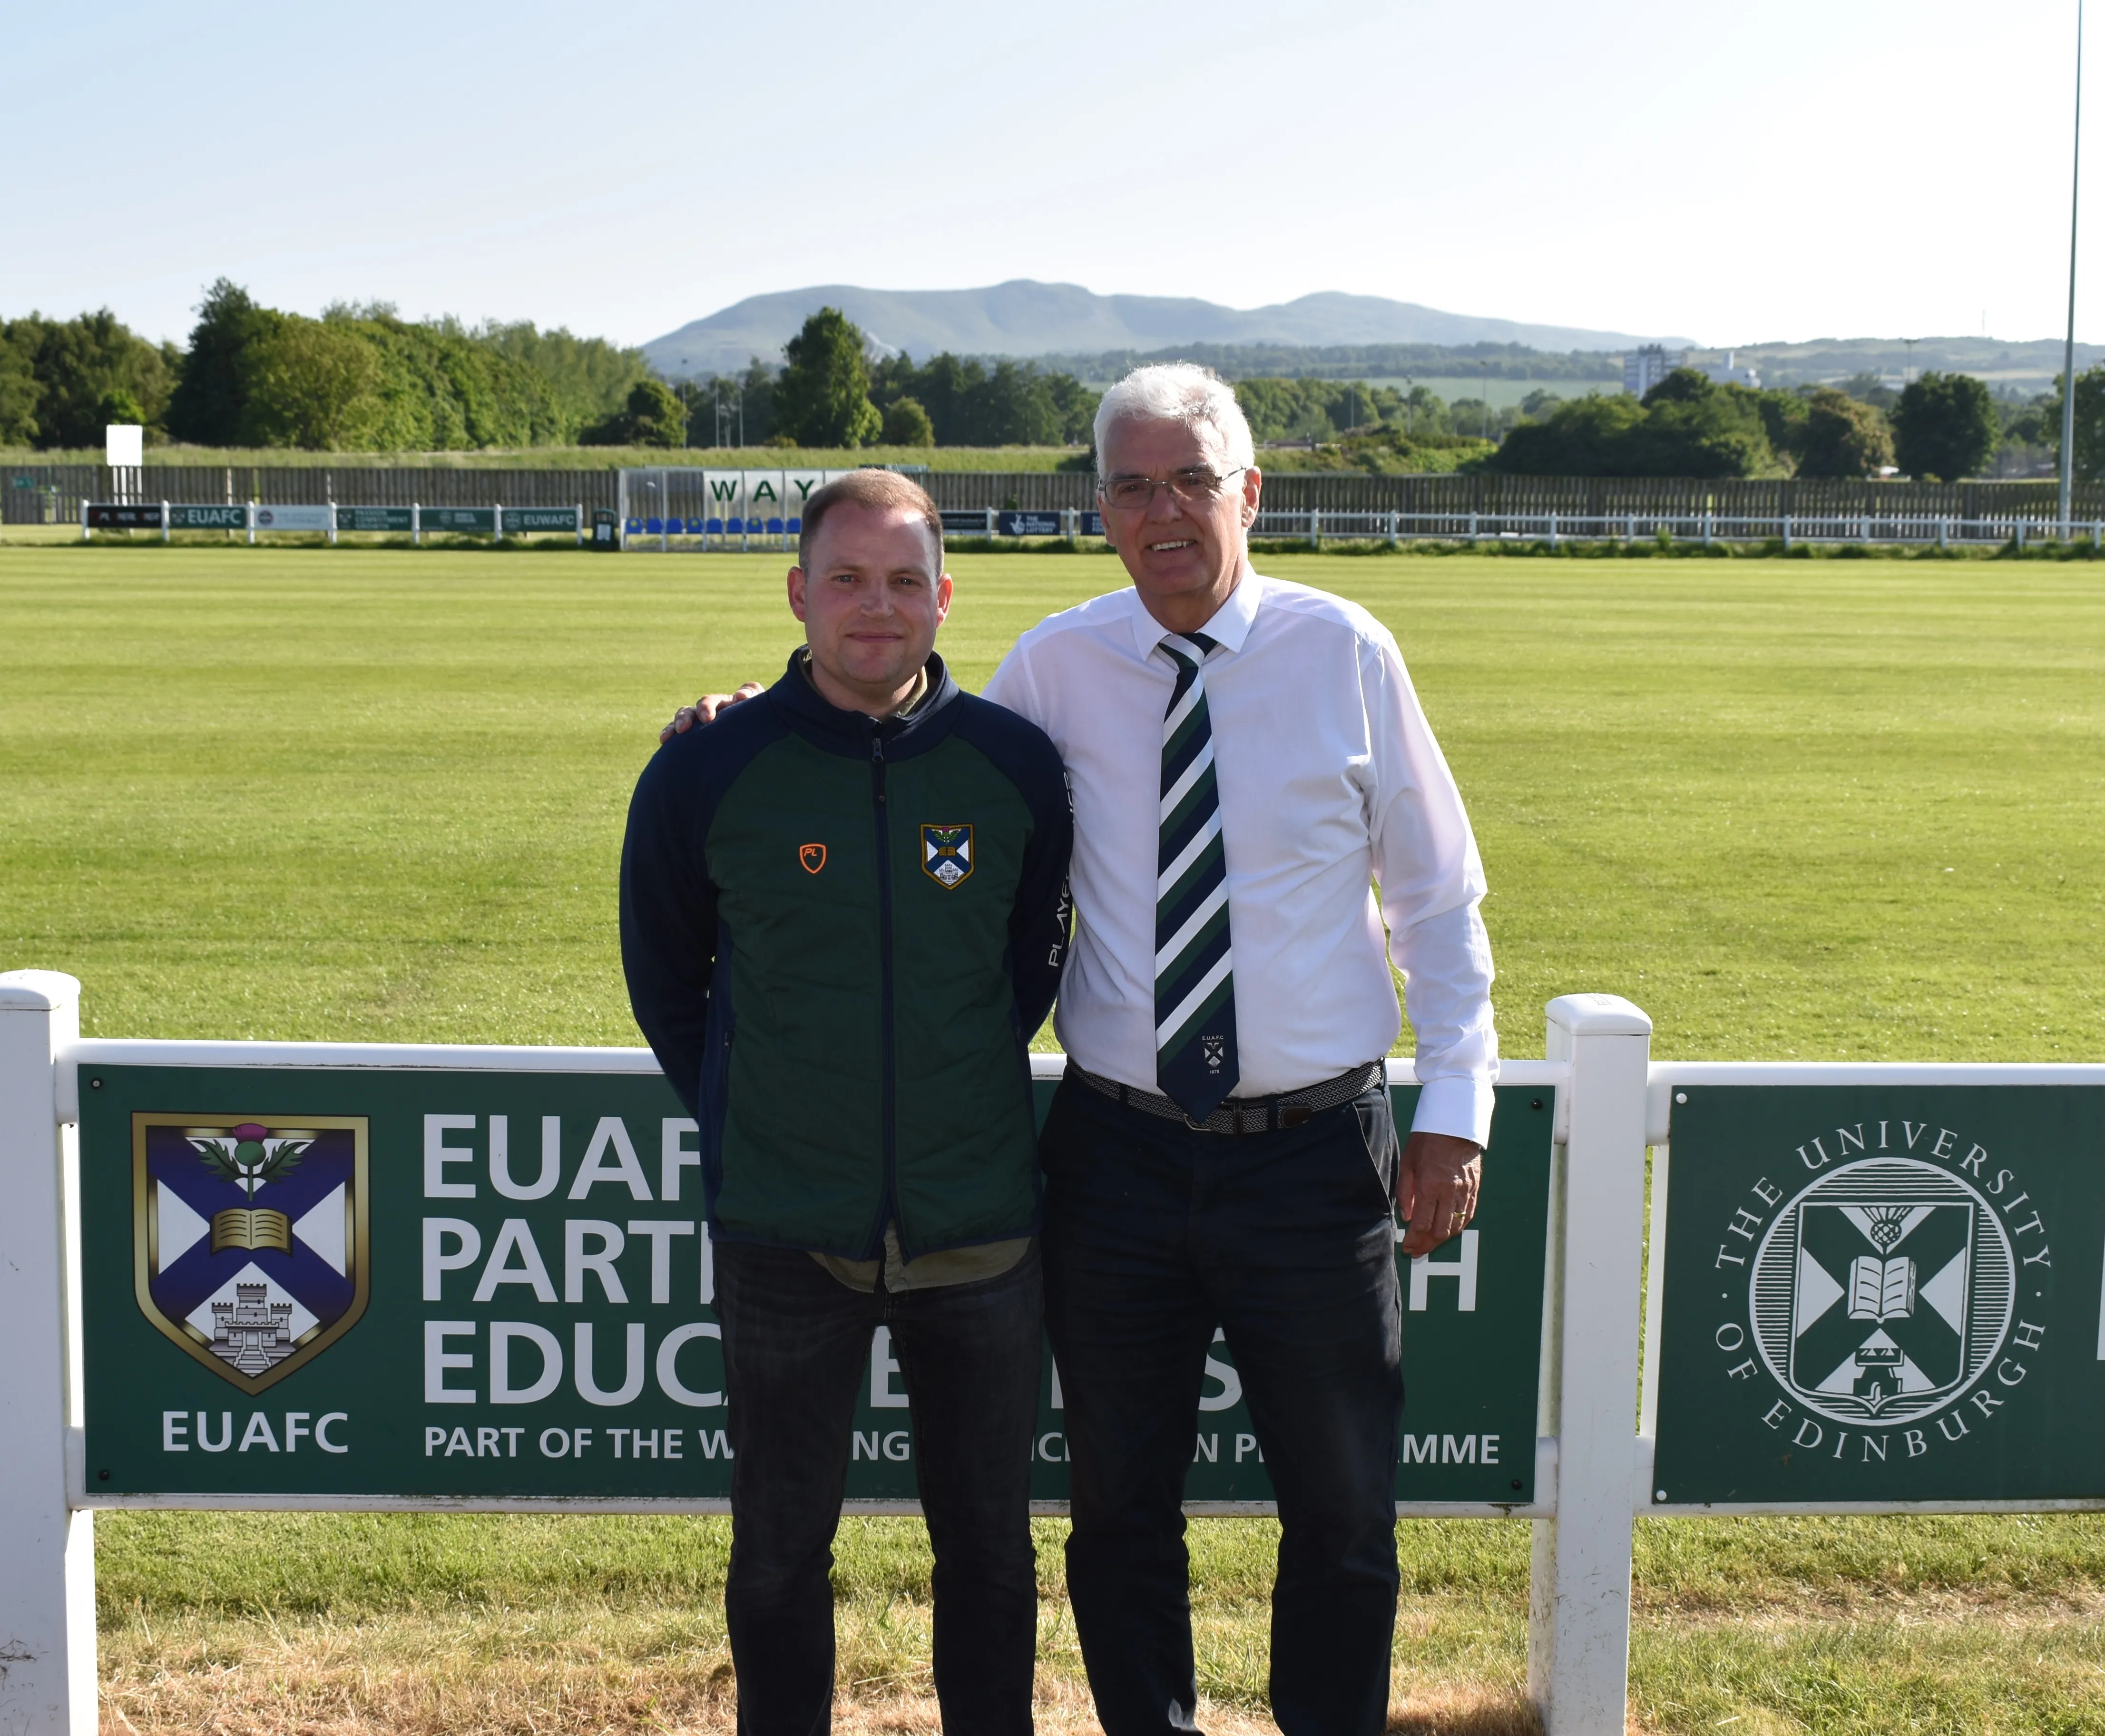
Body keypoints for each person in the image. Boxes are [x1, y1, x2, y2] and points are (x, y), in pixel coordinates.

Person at [667, 365, 1495, 1736]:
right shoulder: (1056, 664)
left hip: (1318, 1159)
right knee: (1117, 1509)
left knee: (1343, 1509)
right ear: (1099, 509)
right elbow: (911, 742)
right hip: (1114, 1159)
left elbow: (1440, 899)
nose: (1162, 510)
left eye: (1190, 480)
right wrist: (754, 720)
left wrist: (1456, 1105)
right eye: (1130, 485)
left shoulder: (1348, 650)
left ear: (1251, 492)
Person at [621, 468, 1072, 1736]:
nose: (877, 607)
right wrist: (770, 1104)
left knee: (988, 1549)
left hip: (977, 1223)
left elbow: (1035, 962)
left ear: (944, 593)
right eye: (848, 579)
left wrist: (946, 1085)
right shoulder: (711, 767)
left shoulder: (1013, 766)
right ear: (797, 592)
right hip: (783, 1225)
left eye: (904, 580)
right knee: (777, 1552)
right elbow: (670, 981)